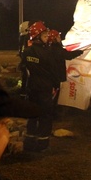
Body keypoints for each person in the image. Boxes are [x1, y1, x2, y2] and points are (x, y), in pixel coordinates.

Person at [21, 21, 61, 152]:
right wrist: (56, 85)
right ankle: (43, 142)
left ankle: (29, 140)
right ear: (37, 36)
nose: (46, 37)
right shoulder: (47, 53)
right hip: (45, 88)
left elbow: (23, 68)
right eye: (44, 35)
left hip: (32, 87)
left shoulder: (27, 52)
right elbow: (54, 71)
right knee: (45, 115)